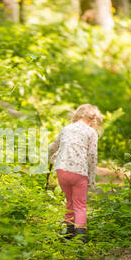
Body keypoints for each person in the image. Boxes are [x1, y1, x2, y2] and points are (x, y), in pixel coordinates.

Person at [48, 104, 103, 242]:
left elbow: (52, 147)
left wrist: (50, 159)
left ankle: (68, 232)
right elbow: (92, 157)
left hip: (62, 170)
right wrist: (91, 178)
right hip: (79, 173)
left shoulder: (66, 128)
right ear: (94, 120)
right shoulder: (91, 133)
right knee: (80, 204)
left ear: (78, 114)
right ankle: (80, 236)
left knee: (70, 201)